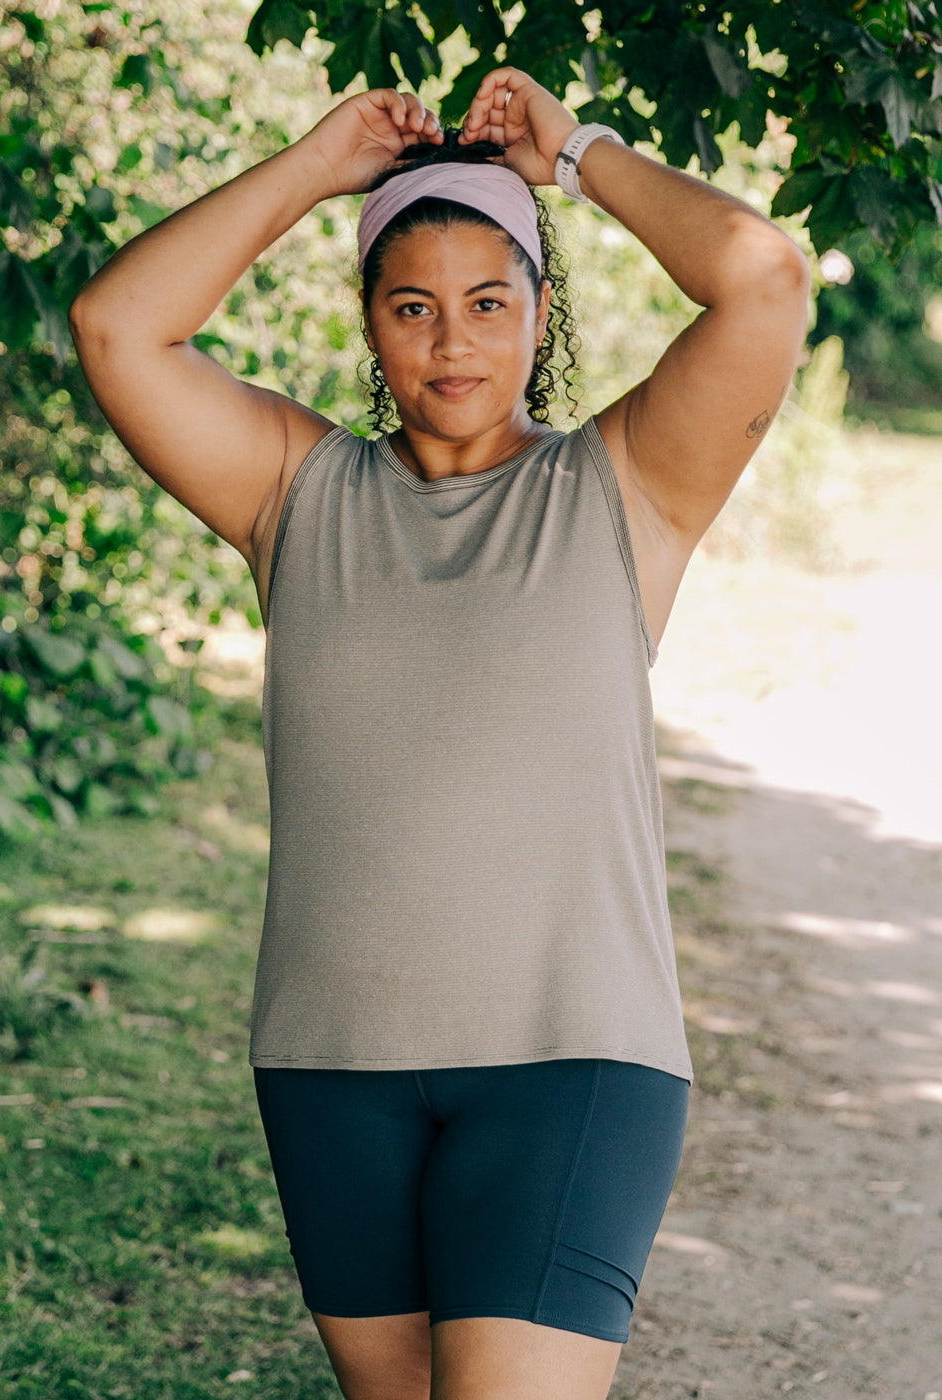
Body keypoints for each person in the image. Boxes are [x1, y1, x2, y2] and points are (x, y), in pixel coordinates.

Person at [70, 66, 810, 1400]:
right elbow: (118, 328)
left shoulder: (626, 486)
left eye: (488, 302)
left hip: (571, 1062)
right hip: (330, 1067)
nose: (452, 342)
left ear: (540, 313)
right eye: (411, 307)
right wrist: (314, 169)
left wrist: (574, 155)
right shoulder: (295, 493)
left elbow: (761, 280)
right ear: (370, 325)